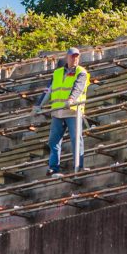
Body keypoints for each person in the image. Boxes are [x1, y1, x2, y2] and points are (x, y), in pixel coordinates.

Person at [35, 47, 90, 176]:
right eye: (73, 56)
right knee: (53, 141)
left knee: (76, 139)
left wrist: (71, 99)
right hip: (57, 112)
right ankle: (53, 167)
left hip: (73, 111)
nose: (75, 59)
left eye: (77, 56)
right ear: (67, 57)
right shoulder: (57, 73)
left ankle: (78, 166)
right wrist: (38, 105)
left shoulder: (81, 72)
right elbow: (48, 90)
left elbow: (78, 87)